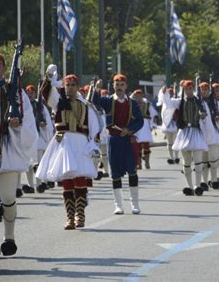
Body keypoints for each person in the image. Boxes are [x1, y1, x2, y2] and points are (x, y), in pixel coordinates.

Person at [36, 67, 100, 229]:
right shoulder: (58, 102)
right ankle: (70, 217)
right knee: (67, 180)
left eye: (72, 85)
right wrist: (49, 77)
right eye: (67, 84)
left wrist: (92, 144)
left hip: (80, 143)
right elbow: (46, 92)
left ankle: (80, 215)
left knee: (79, 178)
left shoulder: (85, 105)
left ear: (77, 87)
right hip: (64, 143)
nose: (70, 87)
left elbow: (95, 126)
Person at [0, 52, 38, 257]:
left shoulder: (16, 93)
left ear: (4, 68)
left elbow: (29, 124)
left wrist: (16, 124)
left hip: (7, 151)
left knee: (8, 196)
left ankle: (9, 238)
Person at [93, 74, 144, 214]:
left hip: (127, 141)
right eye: (117, 84)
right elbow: (94, 102)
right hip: (113, 140)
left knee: (132, 171)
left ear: (126, 86)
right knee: (115, 173)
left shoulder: (132, 103)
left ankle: (135, 204)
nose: (119, 87)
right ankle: (119, 205)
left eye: (122, 85)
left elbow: (140, 121)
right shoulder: (108, 101)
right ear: (113, 86)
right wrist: (96, 89)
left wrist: (129, 130)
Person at [161, 80, 209, 196]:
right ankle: (190, 186)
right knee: (186, 162)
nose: (188, 91)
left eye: (190, 89)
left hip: (196, 132)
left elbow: (204, 114)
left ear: (193, 89)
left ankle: (198, 185)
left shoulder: (199, 101)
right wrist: (165, 93)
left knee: (198, 161)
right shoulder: (180, 101)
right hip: (184, 133)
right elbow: (168, 103)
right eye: (186, 89)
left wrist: (202, 115)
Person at [21, 84, 54, 194]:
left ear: (35, 94)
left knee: (39, 163)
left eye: (32, 93)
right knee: (28, 164)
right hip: (27, 137)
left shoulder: (39, 106)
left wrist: (44, 125)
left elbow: (47, 120)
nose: (30, 95)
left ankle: (39, 184)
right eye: (28, 93)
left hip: (38, 137)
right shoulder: (23, 105)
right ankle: (30, 185)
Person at [130, 89, 157, 170]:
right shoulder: (131, 104)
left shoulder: (147, 104)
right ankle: (139, 164)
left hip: (144, 125)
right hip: (135, 126)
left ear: (142, 96)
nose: (137, 97)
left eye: (139, 95)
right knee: (137, 145)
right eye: (136, 95)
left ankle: (147, 162)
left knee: (146, 145)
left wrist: (152, 125)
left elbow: (153, 114)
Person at [157, 86, 180, 164]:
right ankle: (171, 157)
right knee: (169, 143)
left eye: (171, 92)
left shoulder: (175, 101)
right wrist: (164, 88)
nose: (170, 94)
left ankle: (176, 157)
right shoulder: (165, 101)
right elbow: (162, 94)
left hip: (175, 124)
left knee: (176, 142)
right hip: (167, 125)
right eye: (169, 92)